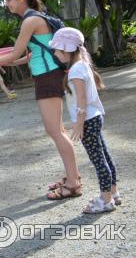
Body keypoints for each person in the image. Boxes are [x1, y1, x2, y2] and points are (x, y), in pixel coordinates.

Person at [0, 0, 81, 200]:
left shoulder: (30, 20)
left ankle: (74, 183)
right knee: (59, 130)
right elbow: (31, 53)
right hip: (49, 74)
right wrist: (12, 62)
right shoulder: (37, 18)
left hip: (47, 77)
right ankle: (72, 176)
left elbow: (14, 53)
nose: (6, 3)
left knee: (55, 131)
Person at [49, 27, 121, 213]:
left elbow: (81, 100)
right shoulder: (82, 65)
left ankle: (106, 200)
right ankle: (114, 193)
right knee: (103, 155)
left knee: (98, 160)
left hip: (87, 120)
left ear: (67, 49)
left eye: (57, 49)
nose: (56, 53)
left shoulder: (75, 71)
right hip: (94, 117)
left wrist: (78, 124)